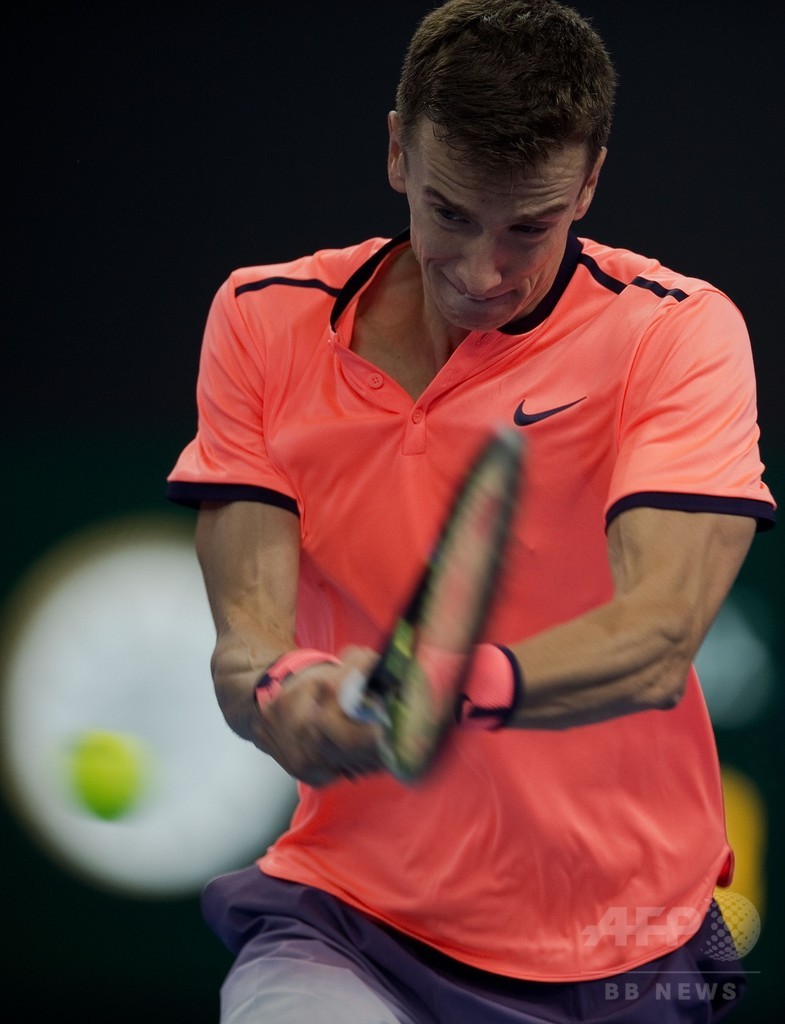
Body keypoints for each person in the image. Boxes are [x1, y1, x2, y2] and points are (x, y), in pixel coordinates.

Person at [166, 1, 776, 1020]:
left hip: (617, 948)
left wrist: (440, 688)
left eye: (528, 226)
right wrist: (287, 694)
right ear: (396, 152)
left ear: (588, 183)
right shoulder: (262, 318)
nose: (483, 271)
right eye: (449, 213)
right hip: (349, 917)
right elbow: (246, 647)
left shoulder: (675, 336)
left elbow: (656, 639)